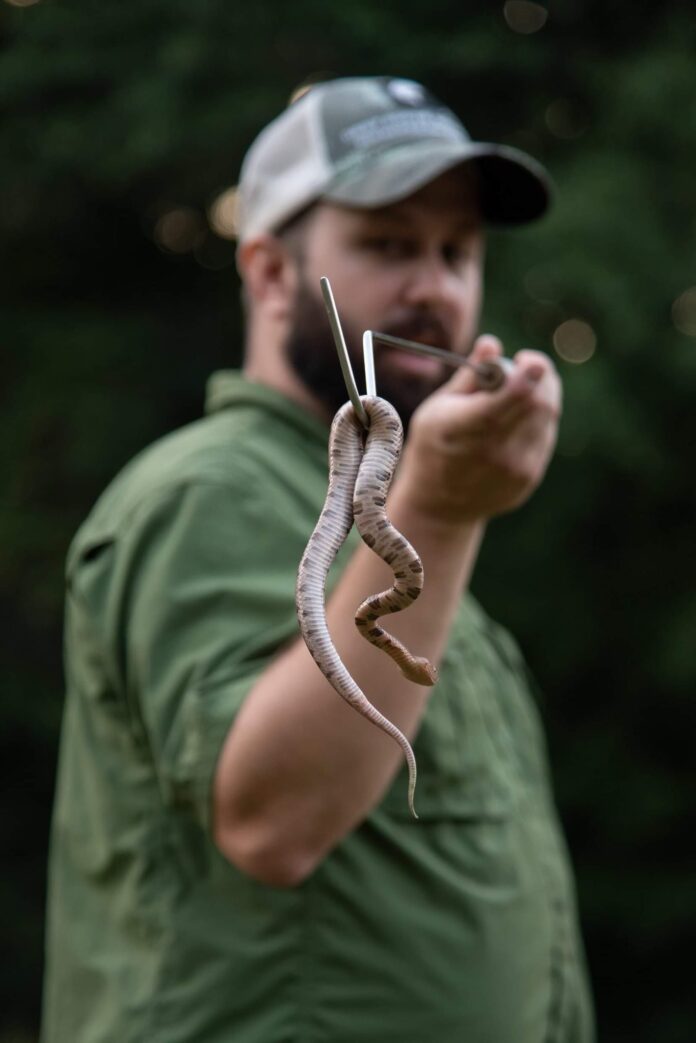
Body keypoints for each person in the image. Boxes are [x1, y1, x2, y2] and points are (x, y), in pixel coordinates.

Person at [42, 76, 594, 1042]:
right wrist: (440, 510)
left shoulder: (424, 516)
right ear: (269, 273)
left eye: (457, 251)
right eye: (389, 244)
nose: (435, 287)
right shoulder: (203, 492)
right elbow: (272, 823)